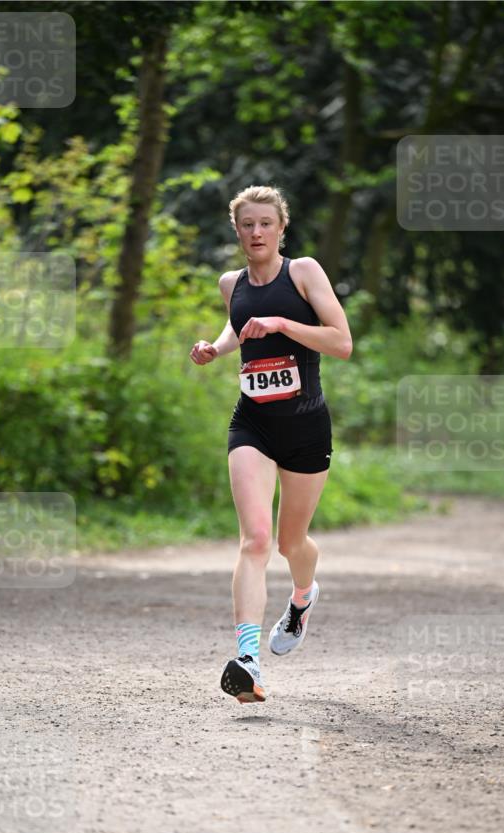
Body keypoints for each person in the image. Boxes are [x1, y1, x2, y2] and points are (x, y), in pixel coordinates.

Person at [189, 185, 352, 704]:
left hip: (306, 427)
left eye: (265, 223)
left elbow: (341, 341)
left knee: (289, 544)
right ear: (235, 231)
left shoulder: (303, 271)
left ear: (282, 227)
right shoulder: (230, 283)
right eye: (246, 225)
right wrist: (215, 347)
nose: (255, 232)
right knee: (256, 540)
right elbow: (239, 326)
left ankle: (303, 599)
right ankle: (248, 659)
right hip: (252, 425)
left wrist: (284, 323)